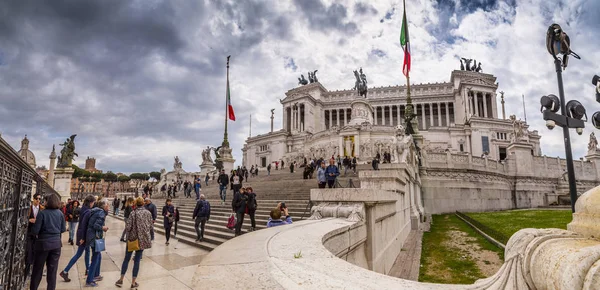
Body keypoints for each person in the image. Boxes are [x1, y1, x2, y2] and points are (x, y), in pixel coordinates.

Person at [115, 197, 153, 289]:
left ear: (136, 204)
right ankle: (133, 282)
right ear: (143, 203)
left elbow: (128, 227)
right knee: (137, 261)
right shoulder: (148, 213)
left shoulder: (133, 213)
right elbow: (151, 226)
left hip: (132, 239)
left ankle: (121, 279)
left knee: (126, 259)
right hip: (142, 240)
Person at [29, 194, 65, 290]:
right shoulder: (60, 213)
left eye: (44, 201)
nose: (43, 202)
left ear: (47, 202)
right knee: (52, 271)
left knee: (38, 270)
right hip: (56, 244)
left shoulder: (42, 213)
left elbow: (35, 231)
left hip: (43, 244)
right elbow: (63, 229)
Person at [60, 195, 95, 282]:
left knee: (87, 251)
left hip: (83, 235)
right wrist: (83, 238)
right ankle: (65, 271)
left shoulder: (84, 208)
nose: (93, 204)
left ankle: (87, 270)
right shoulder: (87, 211)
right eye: (93, 202)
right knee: (78, 254)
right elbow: (84, 225)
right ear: (91, 202)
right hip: (83, 236)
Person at [84, 200, 109, 287]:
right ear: (104, 206)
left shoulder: (95, 211)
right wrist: (103, 227)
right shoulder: (101, 213)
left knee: (97, 256)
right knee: (95, 257)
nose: (108, 207)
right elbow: (96, 225)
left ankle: (95, 275)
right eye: (107, 205)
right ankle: (90, 279)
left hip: (91, 236)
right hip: (95, 237)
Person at [26, 193, 44, 278]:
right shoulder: (28, 208)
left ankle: (34, 270)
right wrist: (29, 220)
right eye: (37, 198)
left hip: (38, 234)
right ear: (33, 199)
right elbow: (22, 218)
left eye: (39, 199)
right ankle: (27, 270)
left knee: (36, 252)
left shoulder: (42, 209)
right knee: (29, 251)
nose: (38, 200)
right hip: (29, 233)